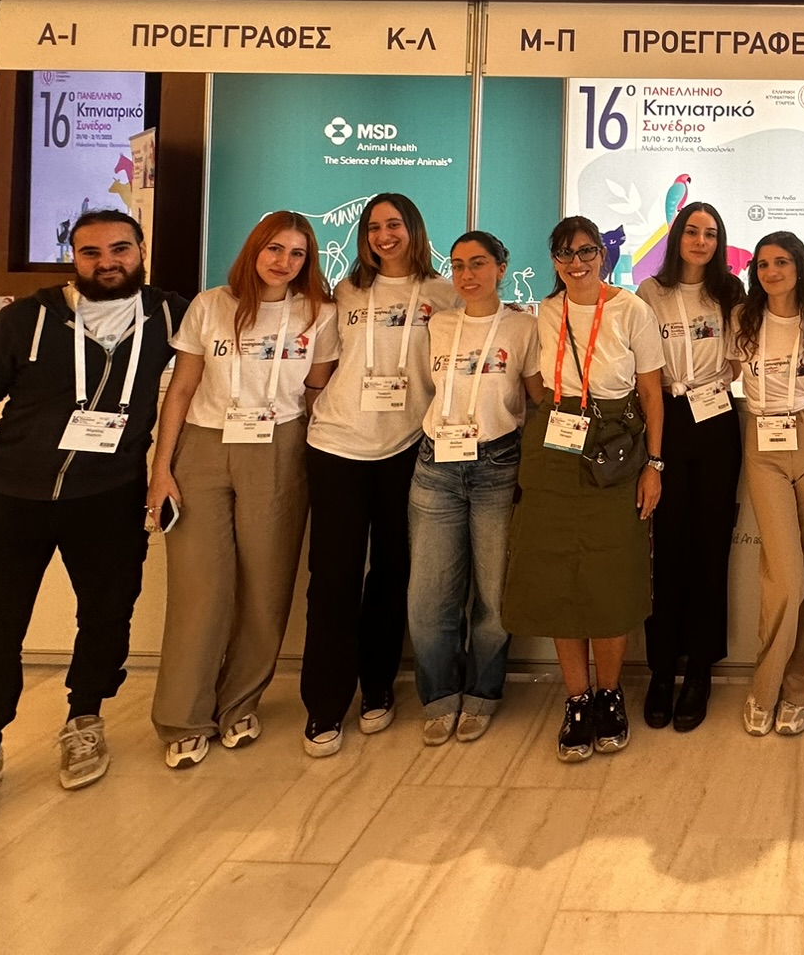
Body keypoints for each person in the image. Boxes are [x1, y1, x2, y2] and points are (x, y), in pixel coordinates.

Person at [0, 211, 185, 842]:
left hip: (109, 495)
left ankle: (85, 717)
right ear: (73, 257)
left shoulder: (171, 315)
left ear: (141, 250)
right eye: (91, 252)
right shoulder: (27, 319)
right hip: (12, 495)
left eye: (120, 249)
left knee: (108, 612)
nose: (107, 262)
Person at [147, 211, 337, 768]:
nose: (284, 262)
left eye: (297, 253)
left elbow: (317, 391)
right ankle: (183, 715)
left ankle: (238, 704)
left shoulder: (318, 313)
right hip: (203, 448)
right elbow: (182, 389)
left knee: (266, 586)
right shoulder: (210, 305)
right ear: (254, 249)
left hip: (280, 447)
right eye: (274, 249)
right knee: (198, 588)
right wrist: (161, 469)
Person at [298, 194, 458, 758]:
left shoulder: (444, 293)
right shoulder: (343, 293)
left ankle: (377, 688)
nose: (383, 235)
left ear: (414, 229)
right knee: (333, 578)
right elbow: (319, 372)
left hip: (406, 448)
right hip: (337, 446)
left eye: (393, 224)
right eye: (372, 227)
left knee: (393, 574)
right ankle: (324, 703)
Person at [503, 215, 666, 762]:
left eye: (586, 251)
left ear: (603, 254)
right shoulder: (544, 312)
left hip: (616, 450)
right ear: (554, 260)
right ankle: (576, 698)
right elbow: (535, 383)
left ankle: (609, 693)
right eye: (565, 253)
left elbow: (652, 395)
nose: (577, 263)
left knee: (610, 573)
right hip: (554, 446)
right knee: (555, 574)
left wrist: (655, 465)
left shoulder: (631, 310)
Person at [410, 230, 538, 746]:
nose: (467, 274)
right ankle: (440, 695)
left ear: (502, 268)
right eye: (459, 265)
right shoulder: (439, 324)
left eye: (479, 263)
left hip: (497, 465)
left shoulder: (524, 327)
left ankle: (482, 693)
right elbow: (428, 389)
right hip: (436, 465)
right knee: (429, 598)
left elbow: (535, 397)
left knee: (494, 595)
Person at [635, 203, 745, 732]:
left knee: (710, 548)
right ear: (677, 235)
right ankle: (661, 669)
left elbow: (741, 356)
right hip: (667, 418)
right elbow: (642, 367)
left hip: (718, 417)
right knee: (667, 548)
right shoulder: (649, 292)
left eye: (711, 234)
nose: (701, 241)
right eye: (693, 231)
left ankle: (700, 669)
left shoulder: (730, 293)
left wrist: (713, 378)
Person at [732, 231, 804, 739]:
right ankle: (766, 685)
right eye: (762, 264)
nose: (771, 271)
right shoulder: (742, 320)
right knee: (786, 577)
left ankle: (800, 691)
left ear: (800, 266)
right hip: (764, 440)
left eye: (781, 262)